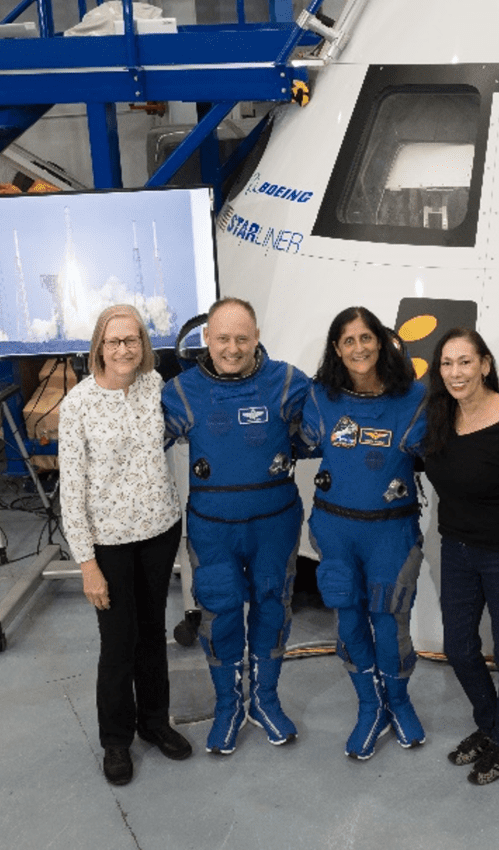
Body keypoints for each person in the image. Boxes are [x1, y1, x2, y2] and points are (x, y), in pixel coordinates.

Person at [160, 297, 312, 754]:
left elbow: (329, 428)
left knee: (272, 607)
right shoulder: (181, 391)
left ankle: (265, 700)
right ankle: (228, 706)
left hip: (274, 525)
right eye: (222, 338)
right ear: (206, 339)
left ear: (257, 338)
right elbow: (137, 447)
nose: (232, 348)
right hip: (212, 528)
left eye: (241, 339)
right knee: (220, 613)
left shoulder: (288, 382)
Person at [59, 304, 195, 785]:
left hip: (159, 532)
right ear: (99, 346)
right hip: (109, 544)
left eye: (132, 340)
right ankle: (116, 740)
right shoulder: (77, 405)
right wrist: (87, 564)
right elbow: (70, 491)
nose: (123, 349)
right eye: (114, 341)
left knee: (152, 634)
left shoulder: (154, 389)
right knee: (118, 643)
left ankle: (155, 722)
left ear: (144, 347)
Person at [297, 306, 429, 760]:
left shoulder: (415, 398)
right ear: (337, 348)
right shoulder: (318, 398)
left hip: (392, 533)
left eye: (366, 338)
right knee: (349, 618)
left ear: (383, 341)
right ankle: (369, 706)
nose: (358, 348)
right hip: (335, 531)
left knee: (390, 623)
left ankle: (400, 701)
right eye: (348, 340)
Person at [421, 328, 499, 786]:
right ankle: (490, 724)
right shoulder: (439, 415)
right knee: (459, 647)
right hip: (455, 550)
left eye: (465, 362)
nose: (456, 373)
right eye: (447, 364)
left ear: (486, 365)